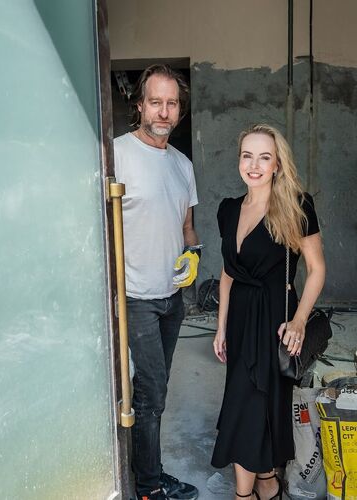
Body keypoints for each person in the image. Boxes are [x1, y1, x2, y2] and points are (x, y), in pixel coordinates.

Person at [211, 124, 326, 499]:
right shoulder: (229, 209)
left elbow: (317, 269)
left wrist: (299, 321)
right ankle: (267, 482)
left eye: (264, 157)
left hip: (276, 320)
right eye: (247, 156)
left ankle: (244, 495)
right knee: (249, 405)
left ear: (277, 164)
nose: (254, 165)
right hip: (240, 319)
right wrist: (220, 327)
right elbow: (228, 274)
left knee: (250, 407)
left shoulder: (295, 205)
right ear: (239, 161)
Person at [114, 64, 201, 500]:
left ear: (179, 110)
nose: (164, 112)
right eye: (155, 102)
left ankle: (148, 471)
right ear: (139, 105)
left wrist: (194, 253)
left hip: (172, 298)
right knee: (150, 391)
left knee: (155, 389)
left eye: (172, 104)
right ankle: (147, 486)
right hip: (135, 297)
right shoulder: (116, 155)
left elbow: (187, 227)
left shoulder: (183, 165)